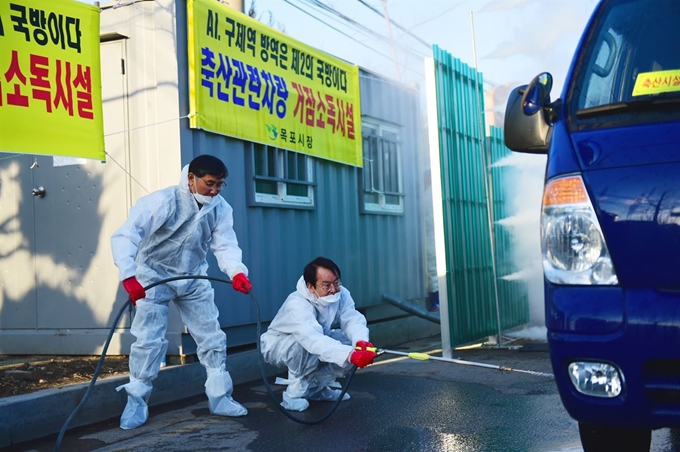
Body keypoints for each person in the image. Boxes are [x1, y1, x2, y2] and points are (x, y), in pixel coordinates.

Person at [110, 154, 253, 430]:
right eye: (209, 184)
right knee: (148, 340)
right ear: (191, 179)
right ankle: (136, 401)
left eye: (220, 185)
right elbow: (127, 234)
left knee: (211, 335)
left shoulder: (220, 208)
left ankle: (220, 397)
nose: (214, 190)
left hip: (192, 275)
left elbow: (225, 245)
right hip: (154, 274)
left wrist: (236, 272)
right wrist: (129, 275)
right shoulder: (163, 202)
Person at [260, 256, 378, 412]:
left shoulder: (341, 294)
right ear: (311, 287)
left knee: (351, 345)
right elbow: (311, 339)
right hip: (281, 345)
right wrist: (349, 355)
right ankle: (294, 394)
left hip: (315, 338)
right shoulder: (296, 303)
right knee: (302, 344)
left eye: (336, 283)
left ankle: (317, 388)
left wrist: (361, 342)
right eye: (326, 285)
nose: (334, 289)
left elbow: (352, 319)